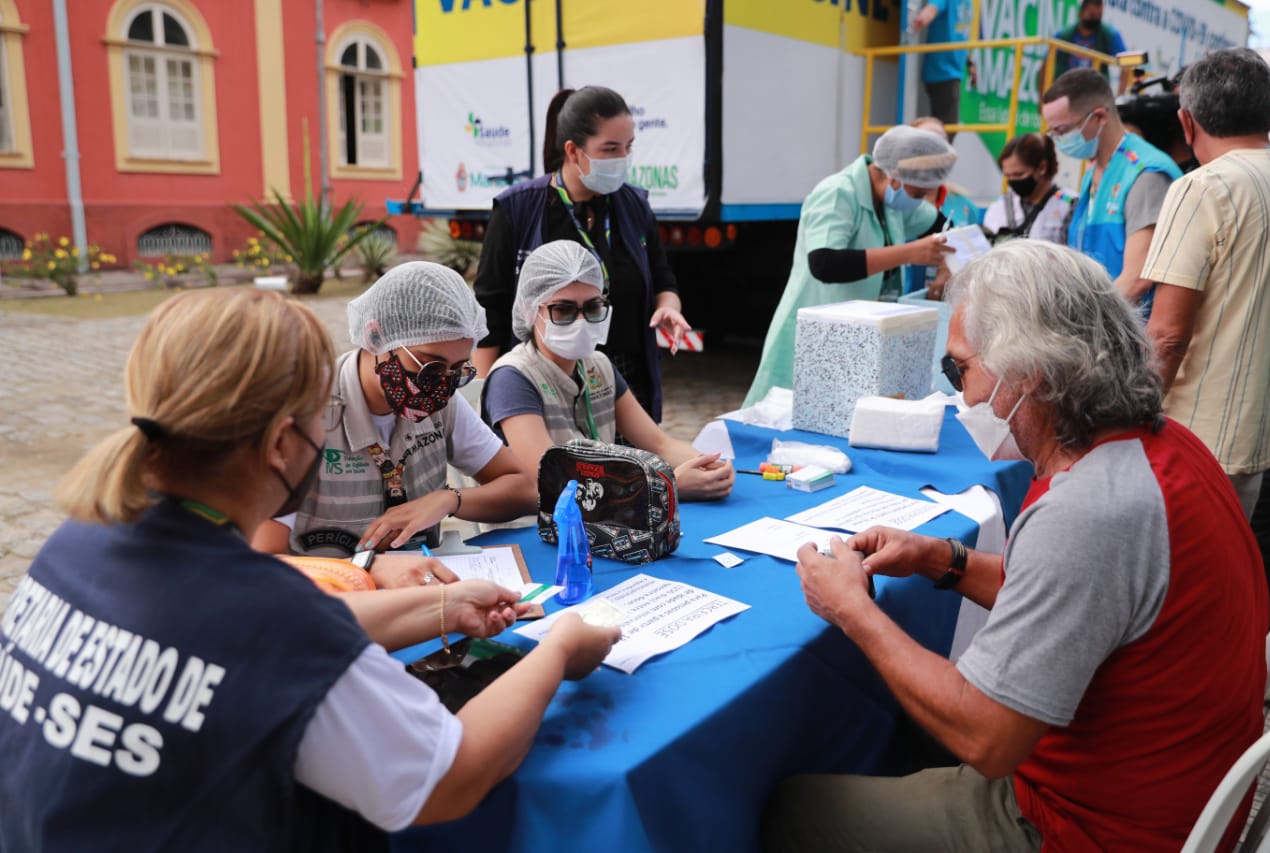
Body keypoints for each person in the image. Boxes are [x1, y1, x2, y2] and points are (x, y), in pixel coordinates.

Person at [0, 288, 620, 850]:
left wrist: (442, 607)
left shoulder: (76, 543)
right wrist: (558, 651)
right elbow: (448, 779)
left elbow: (246, 638)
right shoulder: (268, 612)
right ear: (279, 444)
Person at [762, 240, 1266, 852]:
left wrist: (852, 611)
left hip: (1086, 828)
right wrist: (942, 558)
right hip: (1166, 792)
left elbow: (987, 740)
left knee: (795, 808)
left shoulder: (1086, 509)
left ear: (1029, 373)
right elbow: (1071, 601)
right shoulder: (1169, 448)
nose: (962, 398)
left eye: (960, 370)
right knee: (896, 720)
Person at [252, 262, 538, 588]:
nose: (440, 386)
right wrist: (363, 570)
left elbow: (525, 489)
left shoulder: (441, 402)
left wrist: (449, 500)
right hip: (330, 601)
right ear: (376, 337)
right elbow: (262, 561)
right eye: (429, 367)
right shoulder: (309, 414)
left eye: (457, 371)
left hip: (423, 591)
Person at [472, 85, 688, 421]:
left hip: (627, 382)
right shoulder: (519, 208)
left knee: (636, 455)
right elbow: (491, 308)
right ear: (573, 151)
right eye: (610, 148)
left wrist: (668, 307)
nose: (623, 158)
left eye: (628, 147)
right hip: (543, 383)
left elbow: (663, 279)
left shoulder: (634, 205)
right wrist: (485, 397)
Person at [482, 240, 734, 501]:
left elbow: (659, 444)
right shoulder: (513, 378)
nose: (581, 321)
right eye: (563, 309)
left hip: (611, 510)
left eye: (592, 307)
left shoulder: (598, 365)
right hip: (544, 520)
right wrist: (666, 486)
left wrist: (709, 465)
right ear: (529, 310)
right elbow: (551, 478)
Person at [1144, 47, 1270, 522]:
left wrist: (1130, 420)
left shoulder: (1201, 187)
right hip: (1265, 434)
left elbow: (1167, 335)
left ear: (1187, 122)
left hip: (1203, 437)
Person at [743, 125, 957, 407]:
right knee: (791, 415)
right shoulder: (837, 193)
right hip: (816, 336)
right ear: (895, 178)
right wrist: (908, 253)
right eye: (917, 194)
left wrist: (947, 264)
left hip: (860, 338)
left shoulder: (891, 201)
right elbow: (825, 263)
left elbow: (942, 226)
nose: (918, 202)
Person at [1041, 69, 1180, 311]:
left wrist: (1086, 321)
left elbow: (1137, 279)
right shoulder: (1094, 173)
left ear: (1099, 117)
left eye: (1062, 131)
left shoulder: (1144, 173)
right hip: (1101, 321)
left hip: (1130, 326)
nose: (1057, 139)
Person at [906, 116, 982, 298]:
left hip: (948, 301)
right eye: (926, 144)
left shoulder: (965, 206)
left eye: (942, 145)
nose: (935, 152)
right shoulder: (896, 203)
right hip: (896, 302)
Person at [981, 132, 1076, 244]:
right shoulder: (999, 205)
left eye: (1018, 174)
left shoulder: (1069, 204)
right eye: (1007, 175)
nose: (1013, 181)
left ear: (1042, 168)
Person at [909, 0, 974, 130]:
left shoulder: (967, 3)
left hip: (953, 73)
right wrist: (922, 18)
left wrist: (970, 64)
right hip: (942, 71)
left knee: (946, 126)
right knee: (947, 128)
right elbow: (933, 8)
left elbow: (960, 36)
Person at [1049, 0, 1131, 93]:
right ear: (1081, 13)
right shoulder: (1064, 35)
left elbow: (1127, 63)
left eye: (1099, 15)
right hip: (1065, 91)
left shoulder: (1109, 34)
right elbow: (1046, 63)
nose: (1095, 19)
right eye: (1091, 15)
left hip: (1094, 95)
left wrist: (1120, 97)